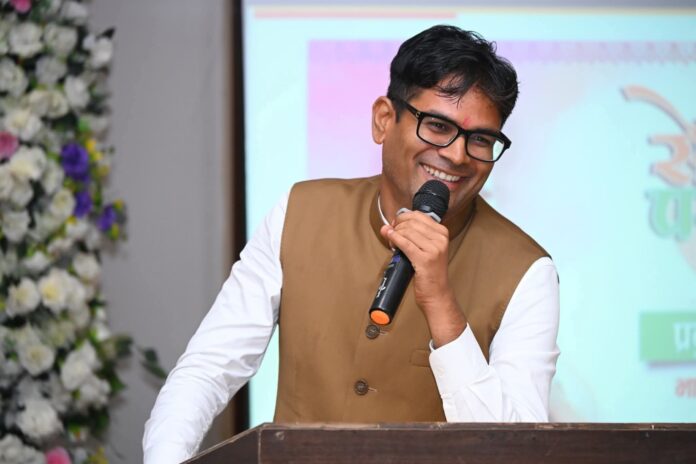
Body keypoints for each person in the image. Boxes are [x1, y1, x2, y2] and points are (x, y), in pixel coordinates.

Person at [143, 25, 560, 463]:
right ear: (383, 120)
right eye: (438, 126)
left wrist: (442, 305)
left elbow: (520, 451)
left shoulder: (528, 272)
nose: (457, 156)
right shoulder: (300, 211)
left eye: (481, 140)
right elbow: (209, 368)